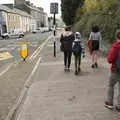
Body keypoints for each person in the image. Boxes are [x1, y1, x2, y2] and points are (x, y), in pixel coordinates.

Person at [105, 29, 120, 111]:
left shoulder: (115, 47)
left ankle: (110, 103)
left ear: (116, 36)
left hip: (115, 70)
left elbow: (110, 60)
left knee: (111, 86)